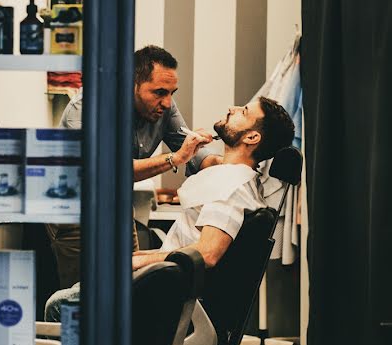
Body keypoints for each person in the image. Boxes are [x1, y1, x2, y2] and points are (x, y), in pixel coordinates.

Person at [44, 95, 296, 321]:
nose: (232, 108)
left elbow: (207, 253)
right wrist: (137, 259)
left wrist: (136, 262)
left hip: (169, 294)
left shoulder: (231, 188)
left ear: (252, 137)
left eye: (243, 111)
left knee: (58, 305)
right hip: (168, 285)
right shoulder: (236, 180)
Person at [46, 45, 219, 287]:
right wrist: (175, 158)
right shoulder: (87, 107)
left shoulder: (165, 107)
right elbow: (107, 171)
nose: (167, 102)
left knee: (128, 287)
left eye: (172, 92)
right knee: (83, 295)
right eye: (159, 92)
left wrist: (227, 165)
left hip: (117, 207)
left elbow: (195, 154)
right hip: (75, 211)